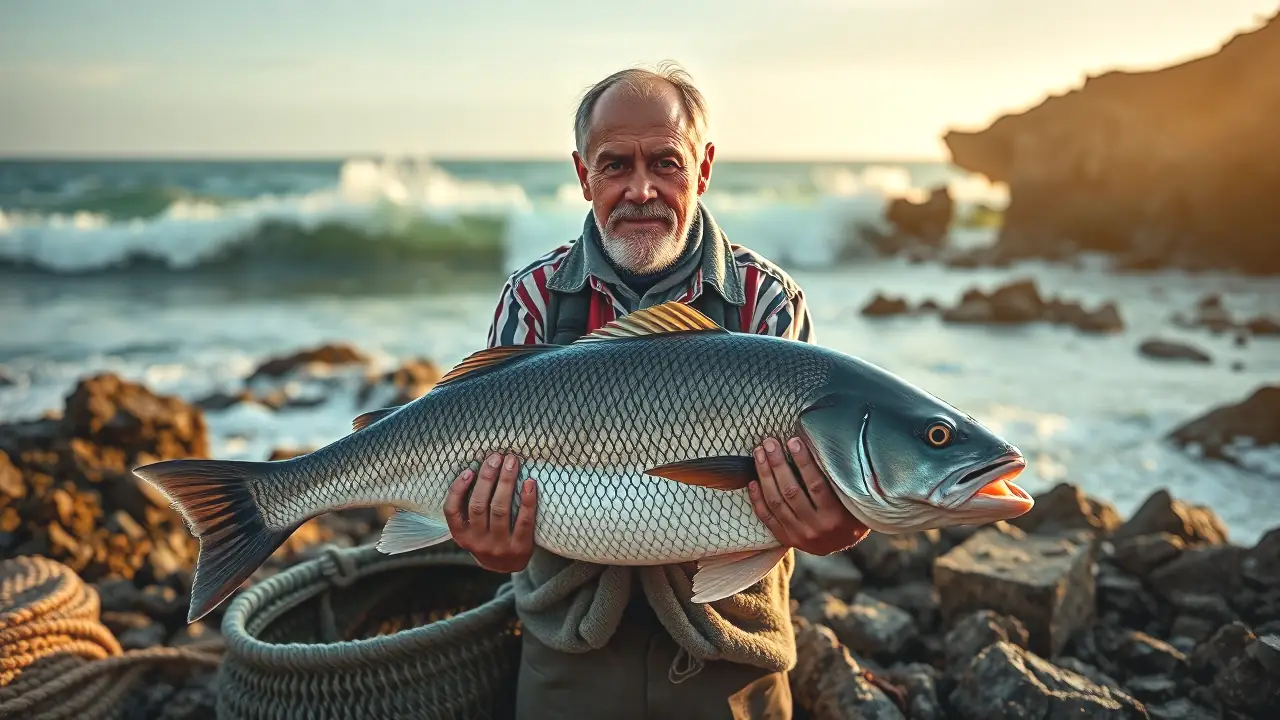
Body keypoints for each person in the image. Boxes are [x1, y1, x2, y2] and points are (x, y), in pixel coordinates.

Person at [441, 63, 871, 720]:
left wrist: (836, 527)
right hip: (569, 653)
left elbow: (825, 484)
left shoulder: (768, 301)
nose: (641, 189)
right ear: (584, 175)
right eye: (615, 165)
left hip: (732, 655)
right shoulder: (530, 298)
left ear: (702, 169)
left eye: (665, 163)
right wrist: (490, 543)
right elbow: (488, 515)